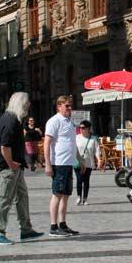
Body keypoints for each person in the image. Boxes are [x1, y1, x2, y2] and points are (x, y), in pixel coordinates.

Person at [0, 92, 44, 245]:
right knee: (5, 198)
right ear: (20, 103)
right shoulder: (11, 120)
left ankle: (26, 230)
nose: (29, 106)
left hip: (16, 166)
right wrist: (11, 163)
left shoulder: (14, 119)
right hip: (9, 167)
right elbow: (4, 147)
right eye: (27, 104)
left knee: (22, 196)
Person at [44, 95, 80, 237]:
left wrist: (80, 159)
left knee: (65, 195)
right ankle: (53, 226)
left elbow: (72, 142)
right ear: (59, 106)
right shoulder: (54, 121)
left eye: (70, 106)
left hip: (68, 163)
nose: (70, 108)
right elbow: (47, 142)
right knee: (57, 194)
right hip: (58, 163)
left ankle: (63, 224)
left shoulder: (70, 122)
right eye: (67, 106)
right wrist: (47, 164)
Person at [74, 120, 102, 205]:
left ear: (88, 129)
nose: (81, 129)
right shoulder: (77, 137)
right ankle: (79, 197)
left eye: (83, 128)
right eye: (80, 128)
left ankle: (85, 198)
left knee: (86, 181)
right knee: (79, 180)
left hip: (89, 163)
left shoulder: (93, 138)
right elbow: (73, 149)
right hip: (78, 162)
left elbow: (97, 150)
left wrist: (99, 160)